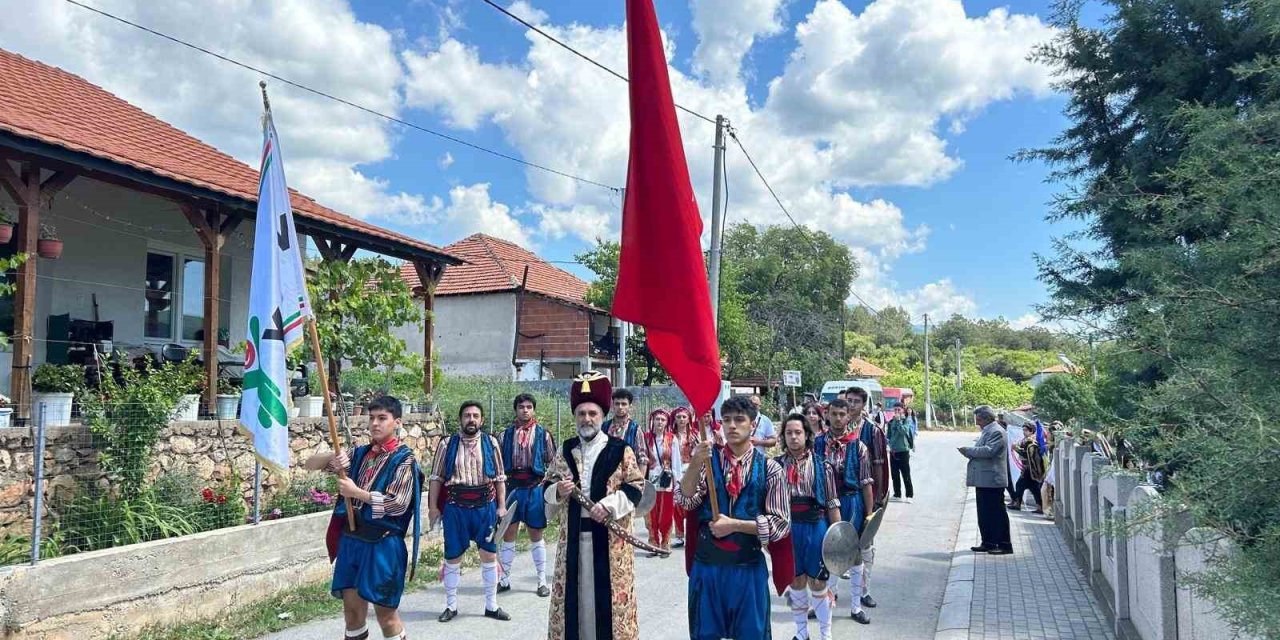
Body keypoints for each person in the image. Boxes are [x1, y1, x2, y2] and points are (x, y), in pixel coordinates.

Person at [677, 395, 792, 640]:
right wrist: (696, 462)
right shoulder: (708, 463)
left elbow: (780, 524)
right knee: (704, 634)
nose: (731, 426)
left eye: (739, 420)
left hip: (746, 567)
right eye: (726, 420)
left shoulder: (770, 469)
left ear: (753, 425)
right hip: (707, 567)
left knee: (752, 634)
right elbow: (685, 500)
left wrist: (735, 525)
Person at [545, 371, 646, 640]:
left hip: (611, 544)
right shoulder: (565, 450)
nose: (587, 419)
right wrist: (558, 490)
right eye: (581, 413)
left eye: (592, 413)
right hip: (574, 542)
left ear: (603, 415)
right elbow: (547, 487)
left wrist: (610, 505)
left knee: (609, 607)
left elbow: (636, 486)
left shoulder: (620, 450)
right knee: (575, 605)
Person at [320, 395, 423, 640]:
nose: (375, 424)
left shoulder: (405, 461)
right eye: (372, 418)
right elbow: (310, 463)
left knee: (386, 616)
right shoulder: (359, 453)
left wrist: (358, 493)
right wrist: (333, 459)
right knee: (352, 615)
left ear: (396, 422)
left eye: (382, 418)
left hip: (383, 543)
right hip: (352, 540)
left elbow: (397, 503)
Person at [429, 402, 510, 623]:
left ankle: (491, 606)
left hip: (486, 506)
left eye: (475, 416)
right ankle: (451, 606)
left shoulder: (491, 442)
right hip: (456, 507)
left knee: (489, 555)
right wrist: (433, 507)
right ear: (460, 419)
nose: (471, 419)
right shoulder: (447, 444)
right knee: (453, 557)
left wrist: (501, 507)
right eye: (467, 415)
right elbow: (436, 478)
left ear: (481, 420)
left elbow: (500, 478)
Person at [778, 413, 843, 640]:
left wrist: (840, 539)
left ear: (807, 435)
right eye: (789, 433)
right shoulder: (774, 467)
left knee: (818, 581)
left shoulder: (822, 466)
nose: (794, 437)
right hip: (788, 530)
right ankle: (801, 633)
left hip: (817, 528)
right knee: (796, 581)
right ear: (783, 437)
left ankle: (826, 635)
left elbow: (833, 503)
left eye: (798, 432)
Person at [814, 398, 874, 625]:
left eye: (842, 414)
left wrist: (869, 515)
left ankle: (856, 607)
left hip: (851, 502)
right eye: (834, 414)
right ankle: (824, 601)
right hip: (823, 503)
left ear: (849, 416)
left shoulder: (858, 446)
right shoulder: (817, 444)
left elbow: (866, 483)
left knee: (854, 553)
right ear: (827, 415)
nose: (838, 418)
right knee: (825, 551)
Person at [497, 393, 556, 597]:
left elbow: (553, 463)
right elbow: (497, 465)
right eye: (521, 406)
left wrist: (548, 489)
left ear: (534, 409)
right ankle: (504, 580)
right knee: (508, 534)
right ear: (516, 409)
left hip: (534, 487)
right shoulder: (504, 435)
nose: (525, 410)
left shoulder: (543, 434)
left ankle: (541, 581)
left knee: (536, 534)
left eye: (529, 407)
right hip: (512, 488)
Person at [849, 386, 888, 609]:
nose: (851, 405)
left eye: (855, 401)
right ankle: (827, 595)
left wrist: (878, 498)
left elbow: (880, 465)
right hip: (840, 498)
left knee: (865, 545)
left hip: (866, 496)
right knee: (835, 545)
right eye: (848, 401)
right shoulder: (837, 429)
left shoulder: (872, 431)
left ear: (864, 404)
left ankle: (865, 591)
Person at [958, 405, 1013, 555]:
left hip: (993, 480)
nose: (978, 423)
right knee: (984, 512)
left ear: (987, 418)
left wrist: (968, 451)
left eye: (979, 420)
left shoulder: (996, 432)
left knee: (996, 512)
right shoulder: (987, 431)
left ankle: (1003, 543)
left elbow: (989, 451)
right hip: (984, 479)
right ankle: (988, 542)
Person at [645, 408, 683, 554]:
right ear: (652, 421)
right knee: (651, 513)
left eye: (662, 420)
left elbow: (676, 462)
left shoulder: (671, 439)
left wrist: (677, 482)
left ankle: (665, 543)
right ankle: (653, 543)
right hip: (650, 480)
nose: (659, 422)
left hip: (666, 481)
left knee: (666, 513)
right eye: (657, 419)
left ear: (667, 422)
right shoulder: (646, 437)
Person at [603, 388, 648, 470]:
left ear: (630, 406)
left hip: (628, 478)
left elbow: (643, 459)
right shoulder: (604, 427)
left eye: (624, 404)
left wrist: (639, 481)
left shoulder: (635, 429)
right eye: (617, 404)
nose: (620, 407)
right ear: (612, 406)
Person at [671, 406, 696, 548]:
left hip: (691, 470)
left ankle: (692, 534)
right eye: (679, 417)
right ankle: (679, 536)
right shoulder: (670, 435)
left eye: (684, 417)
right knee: (677, 504)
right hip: (676, 471)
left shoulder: (694, 435)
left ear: (688, 419)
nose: (681, 420)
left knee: (691, 504)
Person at [1009, 423, 1046, 513]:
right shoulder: (1026, 440)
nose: (1024, 432)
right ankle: (1038, 506)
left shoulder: (1031, 441)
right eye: (1023, 430)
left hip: (1030, 468)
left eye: (1026, 430)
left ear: (1031, 431)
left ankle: (1018, 503)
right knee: (1033, 487)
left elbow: (1028, 454)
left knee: (1020, 485)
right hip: (1028, 468)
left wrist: (1016, 448)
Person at [887, 405, 916, 503]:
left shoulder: (906, 420)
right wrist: (889, 445)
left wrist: (899, 421)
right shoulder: (891, 422)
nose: (896, 411)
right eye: (895, 409)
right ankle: (897, 494)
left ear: (902, 410)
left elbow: (904, 431)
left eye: (898, 409)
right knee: (895, 474)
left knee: (906, 473)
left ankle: (909, 495)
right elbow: (889, 435)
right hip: (893, 451)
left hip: (903, 450)